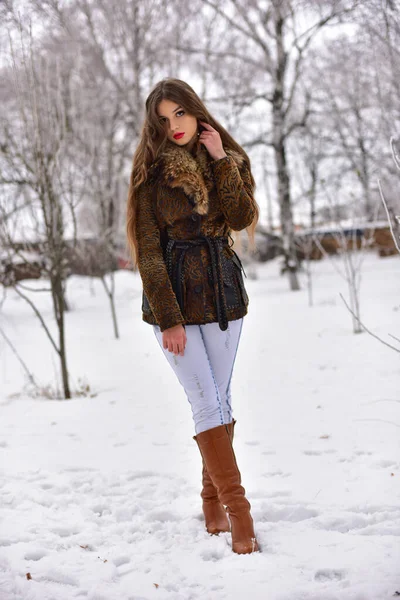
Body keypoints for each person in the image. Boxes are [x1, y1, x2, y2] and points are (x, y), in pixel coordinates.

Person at [126, 78, 260, 554]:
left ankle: (211, 503)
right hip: (177, 299)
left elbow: (242, 217)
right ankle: (240, 515)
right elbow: (149, 255)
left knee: (219, 399)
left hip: (225, 297)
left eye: (179, 113)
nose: (174, 125)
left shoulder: (230, 158)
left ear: (194, 111)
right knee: (206, 400)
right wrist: (169, 319)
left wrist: (222, 160)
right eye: (163, 119)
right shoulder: (150, 175)